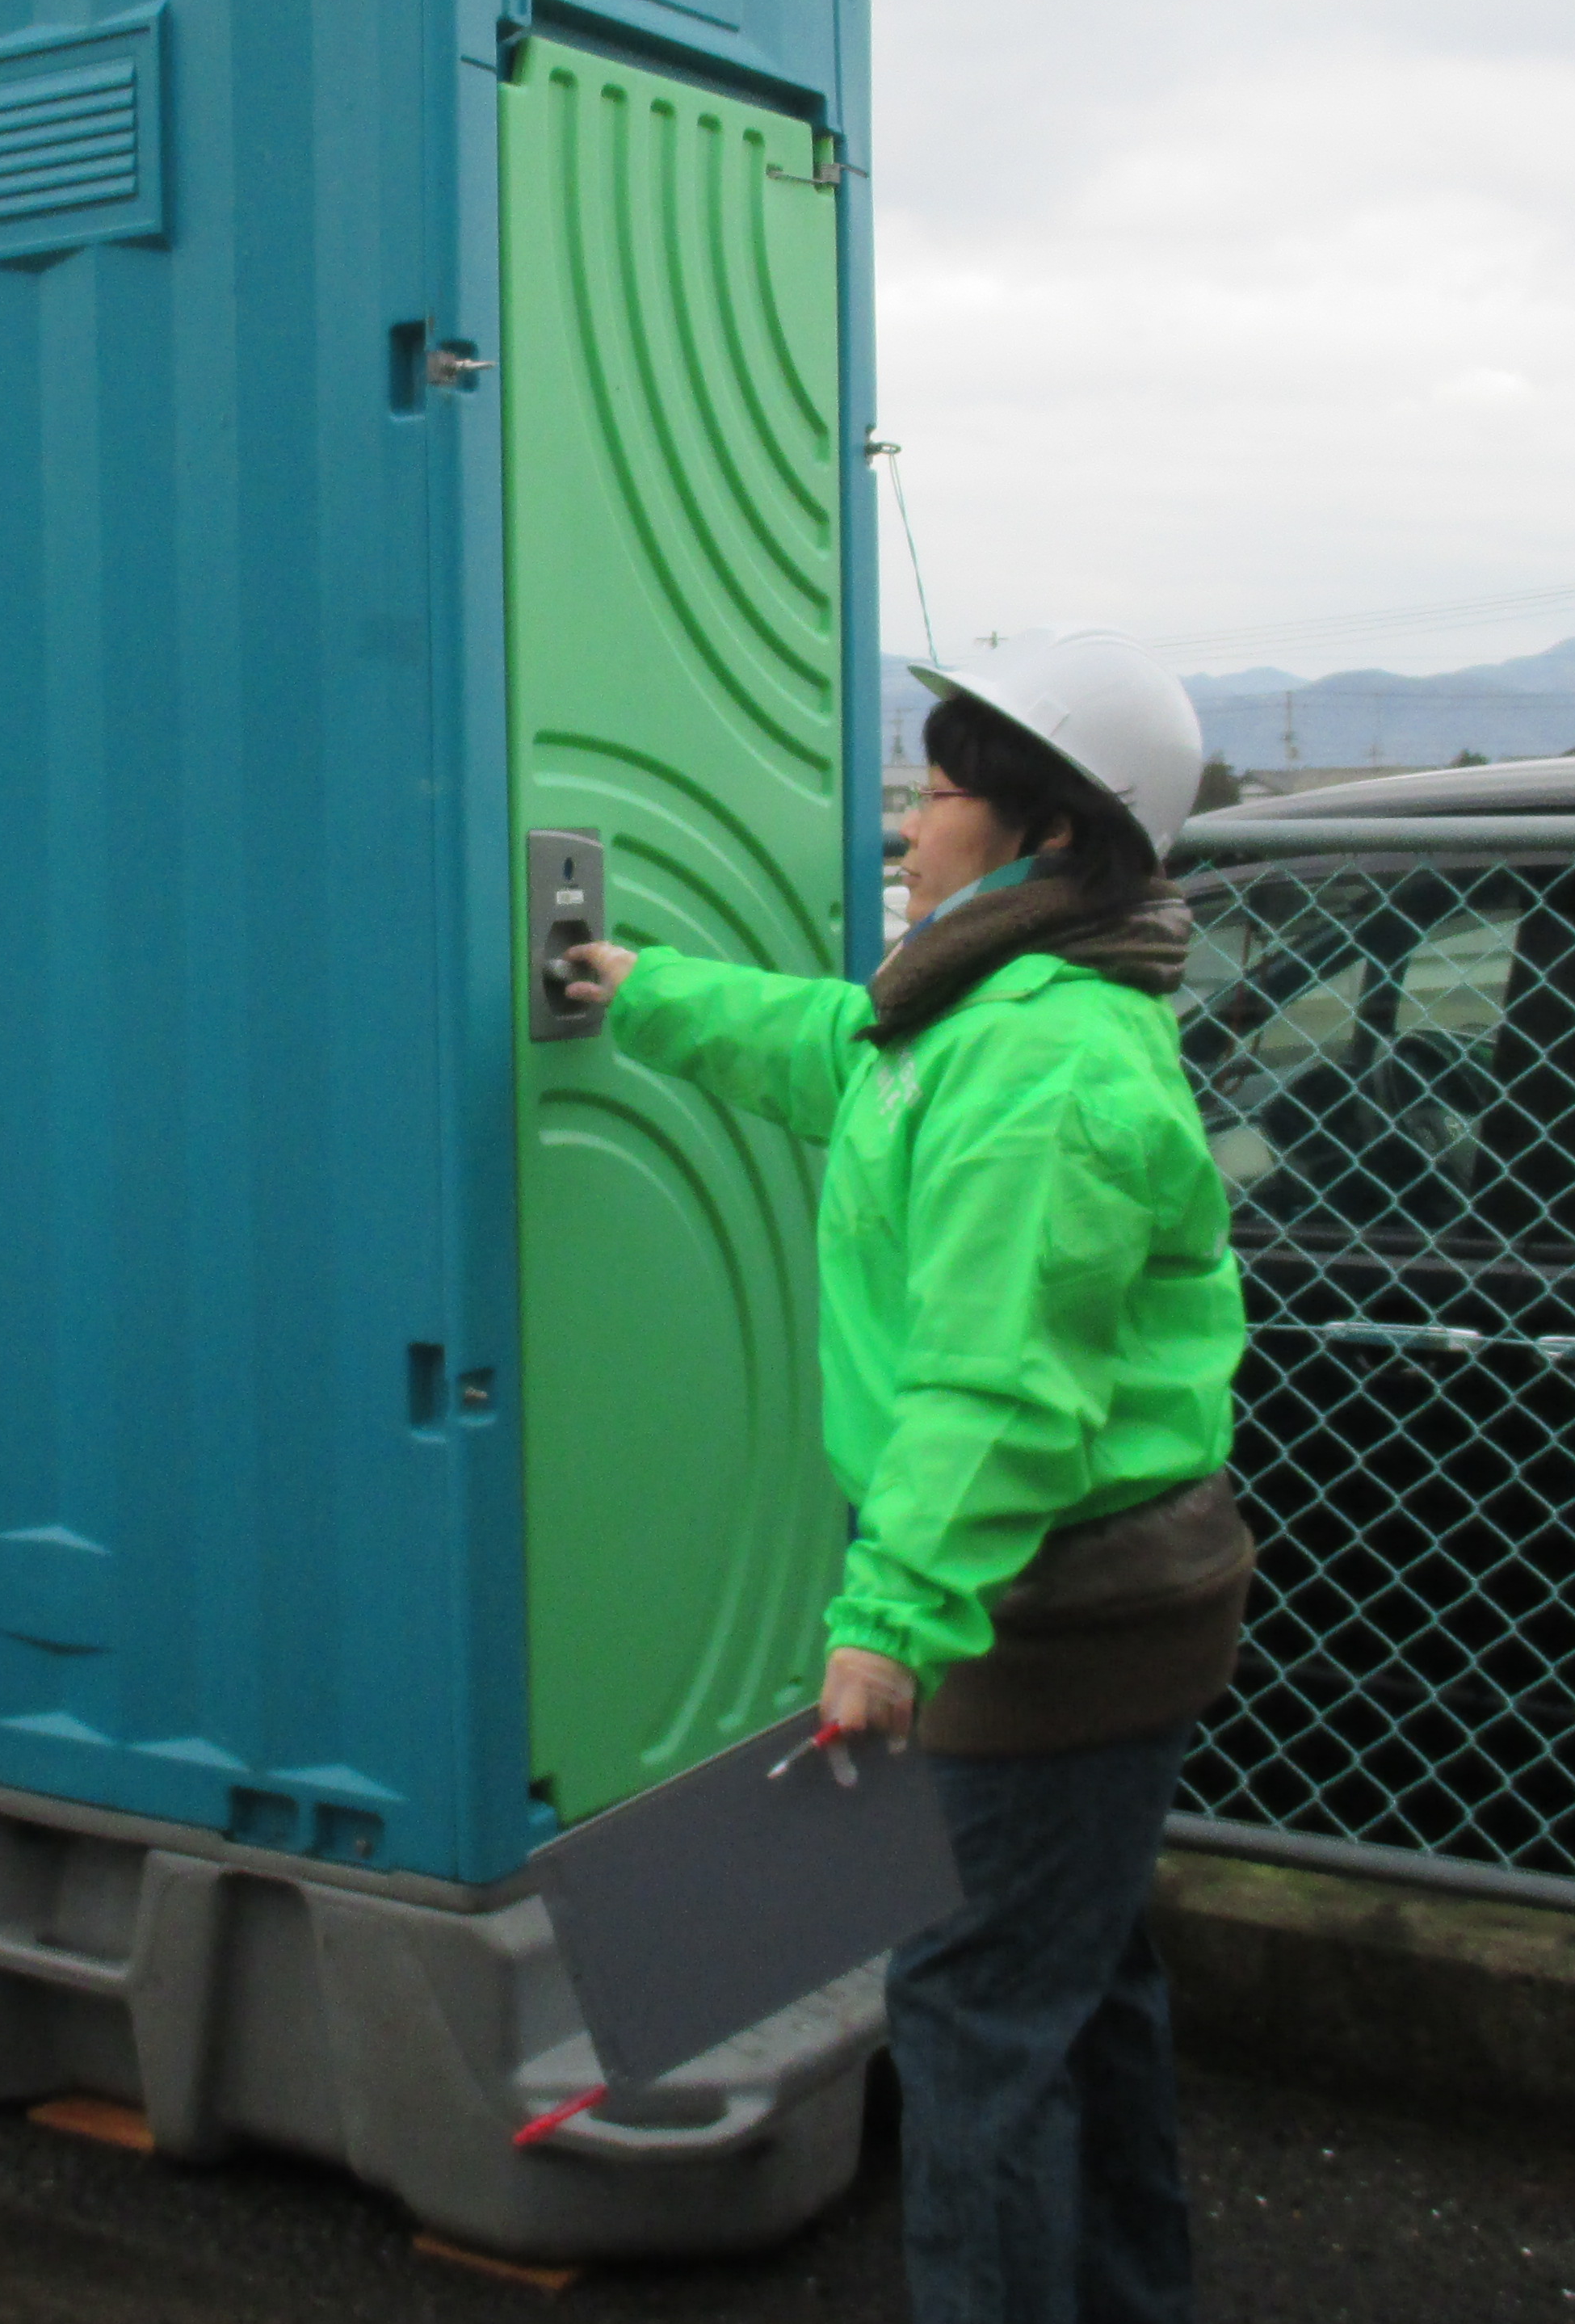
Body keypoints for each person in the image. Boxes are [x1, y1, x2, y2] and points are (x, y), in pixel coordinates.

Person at [557, 624, 1254, 2324]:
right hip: (1046, 1588)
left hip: (1043, 1604)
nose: (910, 821)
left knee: (975, 2009)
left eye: (937, 795)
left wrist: (889, 1619)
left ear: (1050, 834)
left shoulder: (1046, 1069)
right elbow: (832, 1054)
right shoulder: (970, 1011)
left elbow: (997, 1390)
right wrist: (641, 990)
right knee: (1076, 1985)